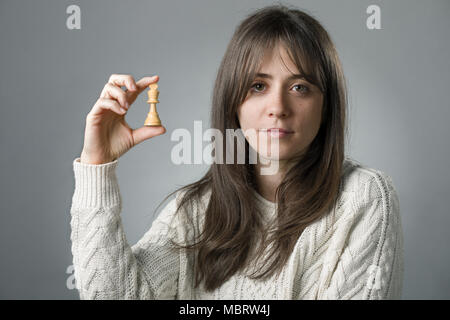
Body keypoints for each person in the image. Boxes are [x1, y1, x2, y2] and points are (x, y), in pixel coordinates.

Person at [70, 4, 403, 299]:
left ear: (326, 105)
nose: (278, 107)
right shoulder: (193, 212)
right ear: (233, 102)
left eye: (300, 87)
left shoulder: (364, 198)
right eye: (258, 86)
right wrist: (97, 164)